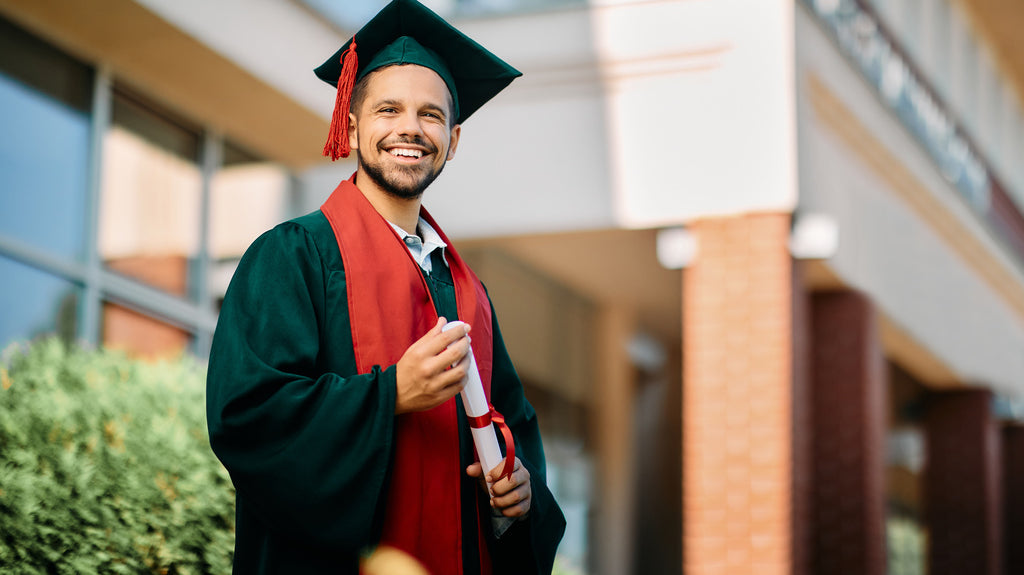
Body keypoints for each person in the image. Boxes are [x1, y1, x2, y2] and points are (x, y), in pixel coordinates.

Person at [205, 1, 567, 573]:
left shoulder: (468, 292)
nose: (409, 129)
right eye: (388, 109)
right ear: (350, 126)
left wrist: (518, 497)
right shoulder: (292, 256)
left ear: (452, 139)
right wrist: (391, 393)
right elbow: (249, 420)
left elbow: (514, 432)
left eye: (430, 115)